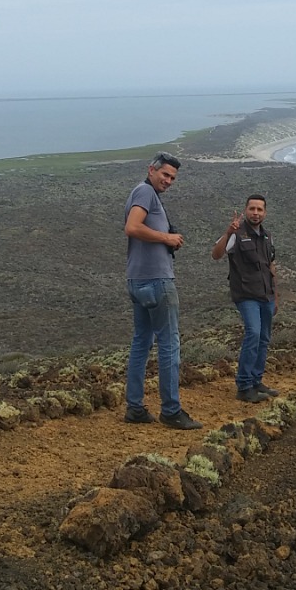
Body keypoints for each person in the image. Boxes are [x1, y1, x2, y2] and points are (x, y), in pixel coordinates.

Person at [123, 152, 202, 430]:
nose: (168, 181)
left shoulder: (146, 193)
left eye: (172, 177)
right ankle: (171, 410)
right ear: (151, 170)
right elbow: (132, 227)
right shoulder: (144, 191)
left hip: (137, 280)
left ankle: (135, 407)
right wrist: (167, 237)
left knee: (141, 343)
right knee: (169, 344)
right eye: (165, 175)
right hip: (157, 281)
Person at [210, 193, 278, 403]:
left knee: (264, 338)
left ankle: (256, 381)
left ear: (265, 212)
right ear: (245, 210)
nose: (256, 213)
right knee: (253, 334)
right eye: (252, 209)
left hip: (266, 294)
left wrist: (275, 294)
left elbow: (271, 265)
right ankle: (244, 385)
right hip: (246, 294)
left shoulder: (267, 236)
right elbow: (216, 254)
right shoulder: (236, 233)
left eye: (260, 209)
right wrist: (228, 231)